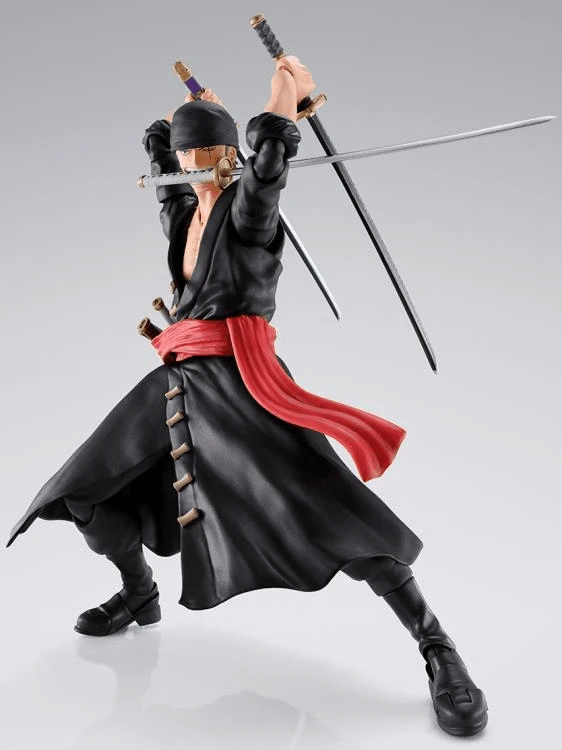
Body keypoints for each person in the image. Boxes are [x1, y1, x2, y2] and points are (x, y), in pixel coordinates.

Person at [7, 56, 487, 737]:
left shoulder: (248, 217)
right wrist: (171, 132)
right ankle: (139, 593)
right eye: (187, 156)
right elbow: (169, 194)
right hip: (177, 384)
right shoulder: (186, 215)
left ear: (226, 156)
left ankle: (438, 647)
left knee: (331, 511)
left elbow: (267, 174)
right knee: (84, 488)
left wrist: (283, 98)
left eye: (206, 154)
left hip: (244, 387)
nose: (195, 166)